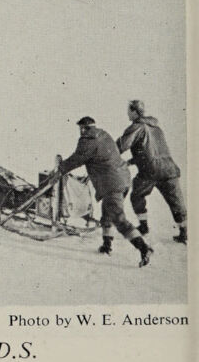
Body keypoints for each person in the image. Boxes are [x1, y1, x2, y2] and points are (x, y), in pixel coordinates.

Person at [59, 117, 152, 266]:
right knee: (108, 213)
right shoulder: (104, 135)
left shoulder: (87, 140)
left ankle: (144, 248)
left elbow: (76, 160)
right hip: (123, 178)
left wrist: (60, 168)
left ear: (83, 128)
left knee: (118, 218)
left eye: (81, 128)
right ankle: (106, 245)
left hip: (112, 183)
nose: (80, 131)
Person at [116, 100, 187, 245]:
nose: (127, 113)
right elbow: (152, 151)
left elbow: (122, 145)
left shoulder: (137, 126)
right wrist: (131, 161)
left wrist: (108, 153)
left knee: (137, 195)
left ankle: (143, 227)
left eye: (129, 110)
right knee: (176, 201)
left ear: (135, 112)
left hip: (150, 171)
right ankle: (184, 232)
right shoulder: (156, 128)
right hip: (169, 169)